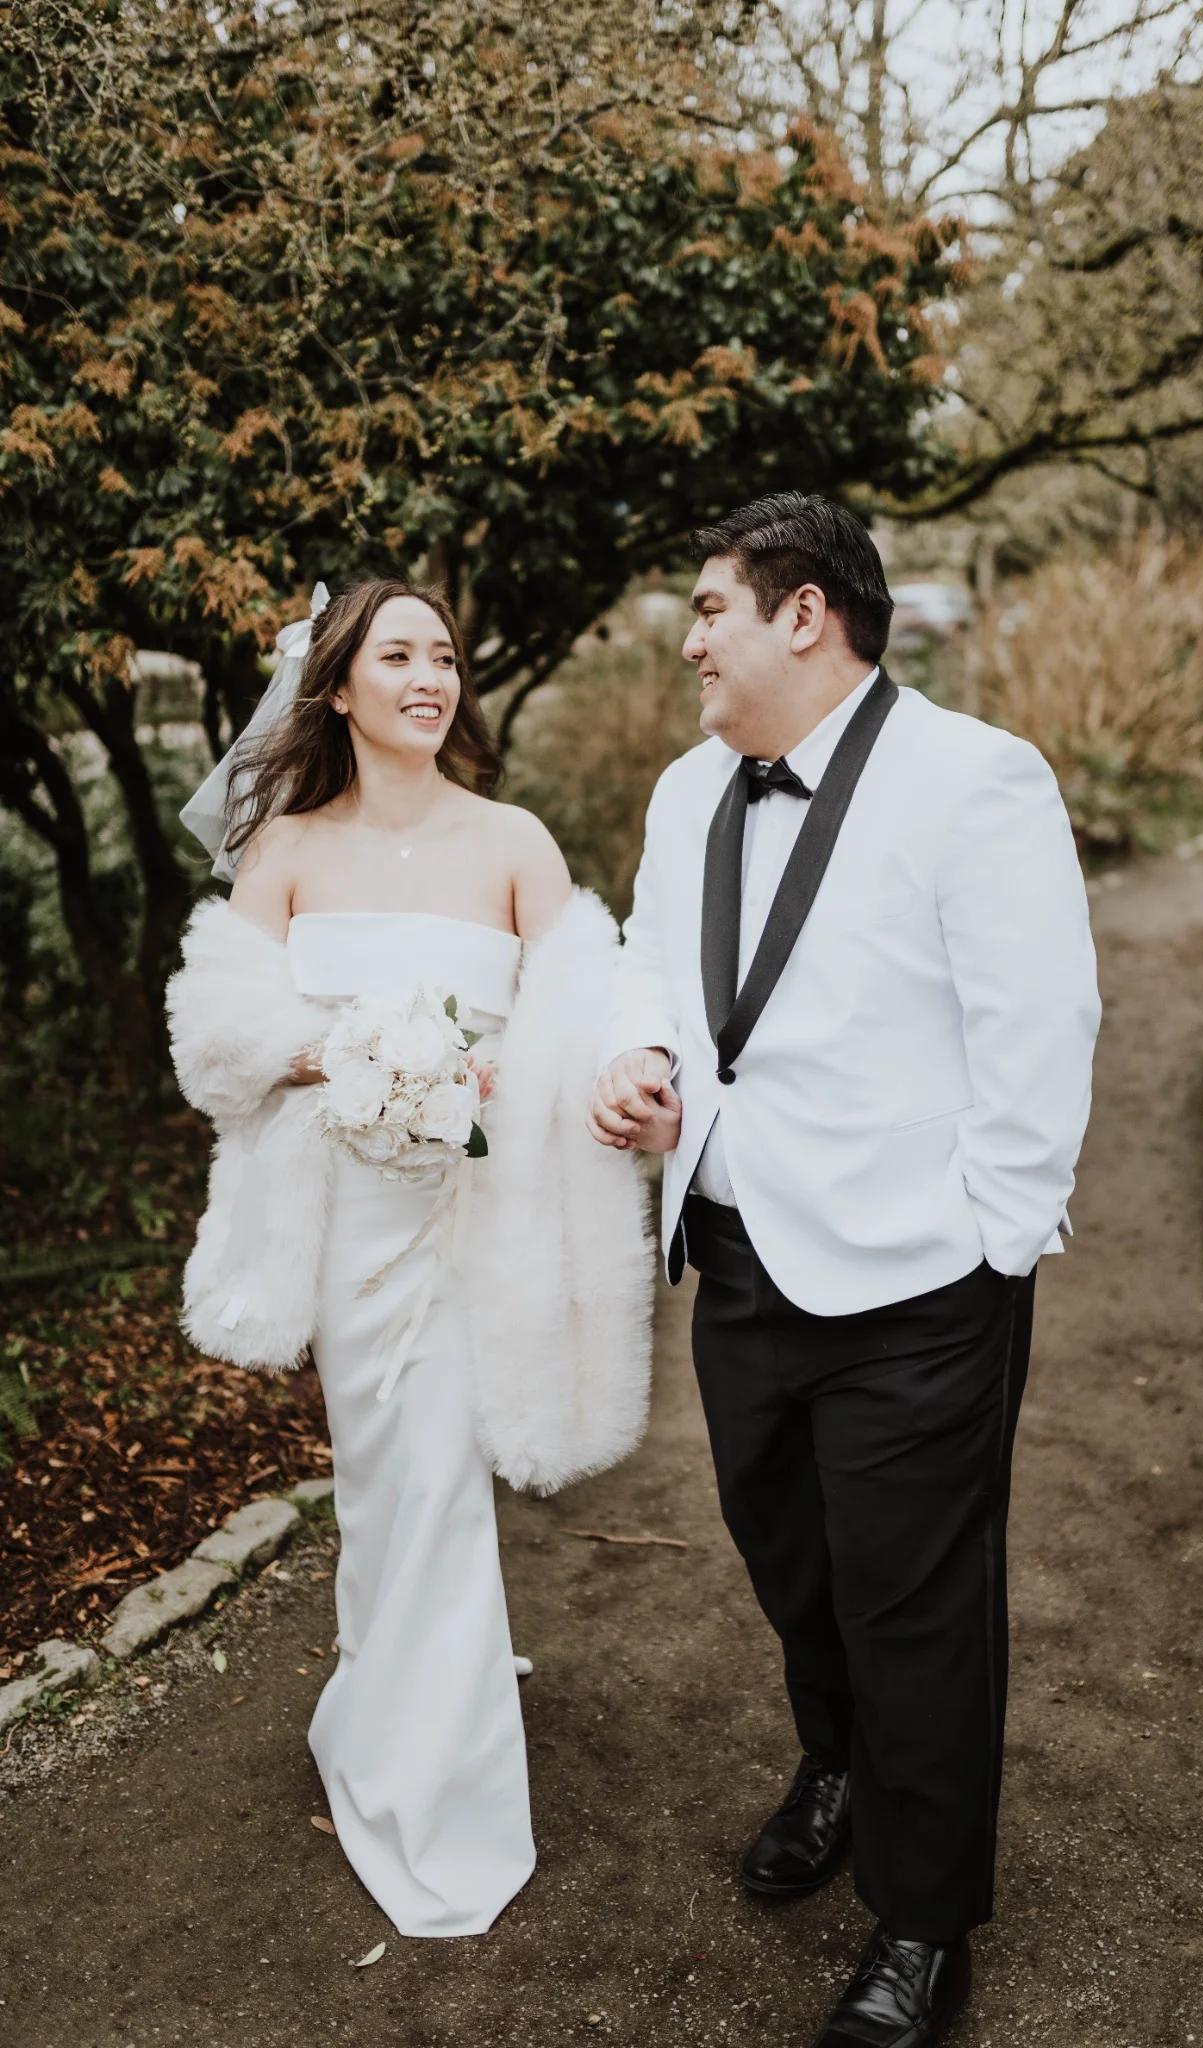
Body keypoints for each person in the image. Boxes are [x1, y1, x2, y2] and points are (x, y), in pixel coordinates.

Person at [589, 495, 1100, 2046]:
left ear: (804, 614)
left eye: (709, 610)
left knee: (916, 1598)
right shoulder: (689, 792)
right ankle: (838, 1760)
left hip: (921, 1283)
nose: (688, 641)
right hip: (737, 1254)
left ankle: (924, 1921)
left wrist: (990, 1239)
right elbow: (652, 961)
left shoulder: (976, 778)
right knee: (783, 1549)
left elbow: (1042, 1021)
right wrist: (636, 1059)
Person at [166, 578, 652, 1938]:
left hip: (477, 1223)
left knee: (439, 1488)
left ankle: (441, 1804)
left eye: (444, 655)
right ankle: (384, 1700)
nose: (431, 675)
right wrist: (349, 1053)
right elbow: (218, 1031)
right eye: (399, 655)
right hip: (351, 1236)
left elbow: (587, 1009)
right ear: (337, 688)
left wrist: (562, 1074)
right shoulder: (290, 850)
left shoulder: (511, 840)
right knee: (389, 1492)